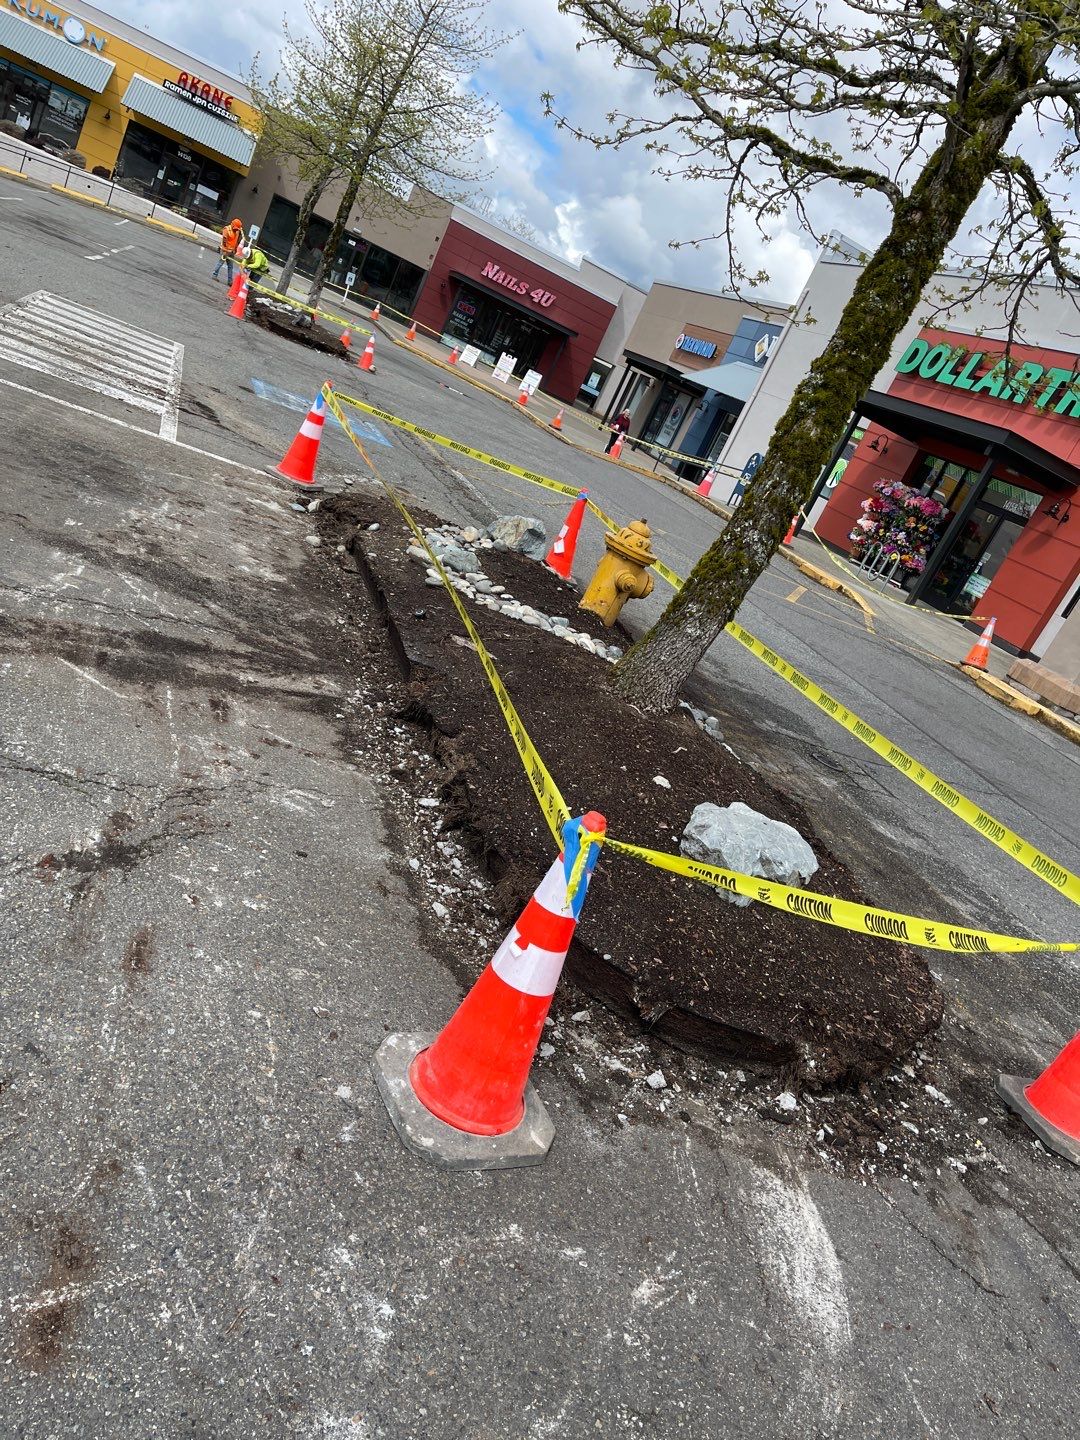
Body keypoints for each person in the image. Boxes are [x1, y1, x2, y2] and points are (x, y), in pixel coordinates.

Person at [211, 218, 245, 284]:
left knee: (230, 266)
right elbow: (224, 241)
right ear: (232, 225)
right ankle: (214, 275)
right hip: (225, 250)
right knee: (220, 263)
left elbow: (236, 241)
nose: (236, 230)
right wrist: (225, 250)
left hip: (231, 251)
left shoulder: (237, 230)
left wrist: (235, 249)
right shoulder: (226, 229)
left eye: (237, 229)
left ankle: (230, 281)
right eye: (236, 228)